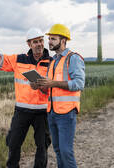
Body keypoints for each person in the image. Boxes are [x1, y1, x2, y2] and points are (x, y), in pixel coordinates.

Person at [0, 28, 52, 168]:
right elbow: (0, 61)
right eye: (35, 42)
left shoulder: (52, 63)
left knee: (42, 145)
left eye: (41, 41)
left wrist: (42, 86)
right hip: (22, 111)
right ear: (29, 44)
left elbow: (54, 87)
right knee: (13, 143)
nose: (39, 44)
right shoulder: (18, 60)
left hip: (43, 112)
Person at [31, 23, 85, 168]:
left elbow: (79, 84)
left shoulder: (73, 58)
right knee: (58, 150)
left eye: (53, 39)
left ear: (63, 41)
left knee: (66, 152)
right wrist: (39, 87)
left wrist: (53, 82)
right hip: (52, 112)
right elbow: (50, 89)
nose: (49, 42)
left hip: (67, 113)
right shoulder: (53, 61)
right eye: (49, 39)